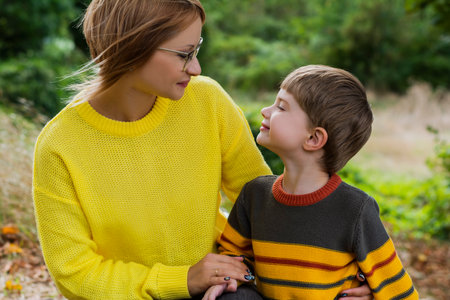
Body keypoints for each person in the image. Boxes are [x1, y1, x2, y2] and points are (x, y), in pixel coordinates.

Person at [33, 0, 373, 299]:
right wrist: (182, 279)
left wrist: (346, 274)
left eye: (196, 50)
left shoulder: (206, 100)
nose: (195, 68)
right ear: (131, 48)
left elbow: (269, 209)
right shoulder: (60, 145)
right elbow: (75, 273)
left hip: (221, 287)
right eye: (184, 54)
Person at [204, 65, 418, 300]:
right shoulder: (254, 195)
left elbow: (398, 289)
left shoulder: (355, 210)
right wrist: (229, 279)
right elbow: (234, 255)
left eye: (281, 107)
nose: (265, 110)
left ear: (314, 138)